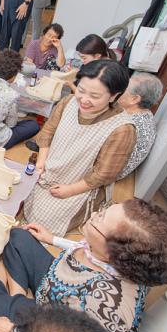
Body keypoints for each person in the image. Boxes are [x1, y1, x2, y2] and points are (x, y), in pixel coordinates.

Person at [0, 199, 167, 332]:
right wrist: (53, 239)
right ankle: (17, 294)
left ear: (114, 254)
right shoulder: (134, 262)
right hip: (53, 288)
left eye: (100, 218)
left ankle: (6, 283)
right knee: (18, 236)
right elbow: (86, 247)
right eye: (104, 210)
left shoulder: (105, 311)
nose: (94, 214)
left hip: (53, 322)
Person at [23, 60, 135, 237]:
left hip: (78, 182)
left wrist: (70, 190)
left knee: (44, 221)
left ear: (114, 96)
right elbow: (48, 133)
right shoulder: (68, 101)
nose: (84, 100)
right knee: (20, 193)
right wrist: (41, 163)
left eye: (95, 96)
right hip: (49, 170)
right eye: (81, 90)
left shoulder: (122, 129)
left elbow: (103, 174)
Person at [117, 72, 163, 179]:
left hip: (106, 173)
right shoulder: (145, 114)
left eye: (123, 89)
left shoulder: (129, 125)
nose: (118, 90)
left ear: (134, 99)